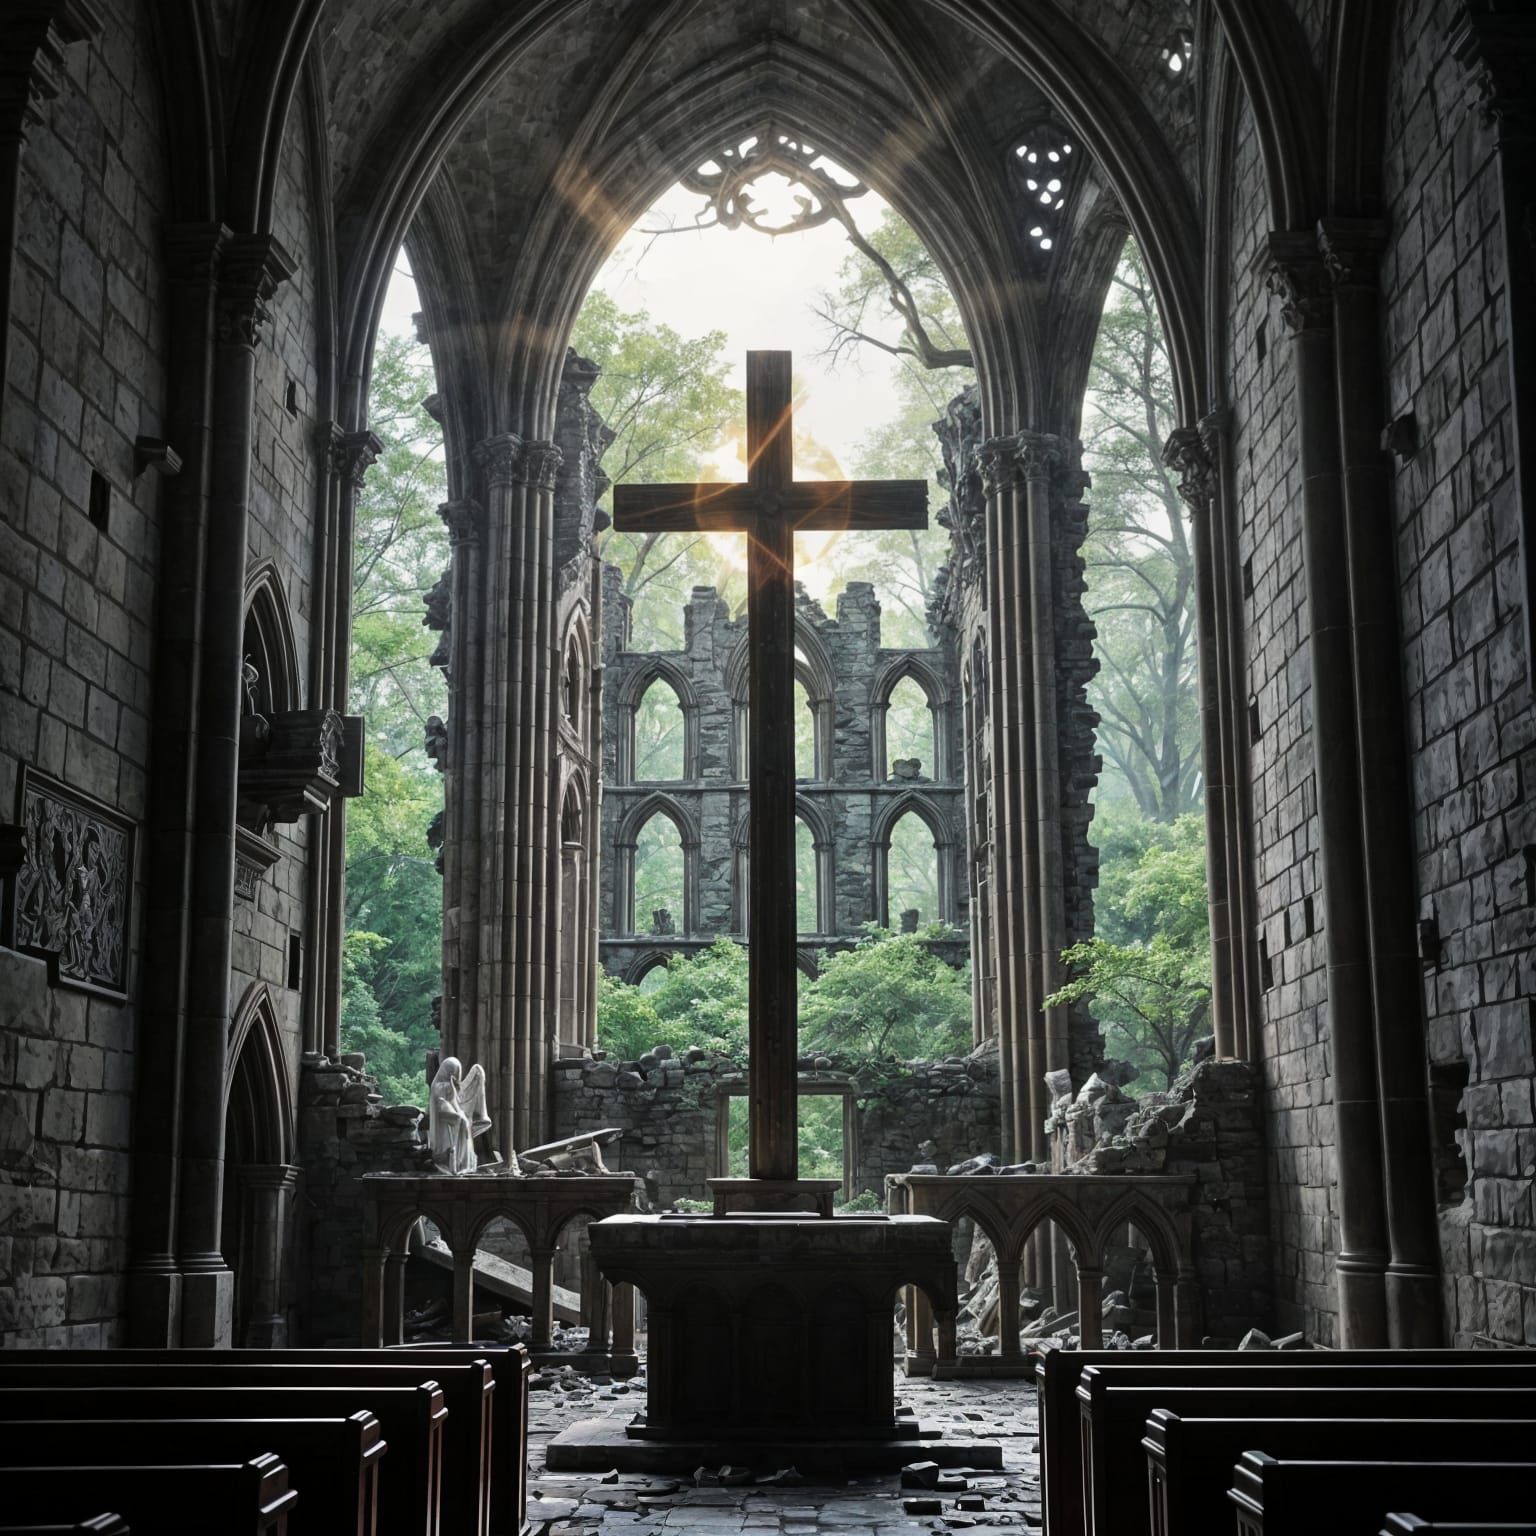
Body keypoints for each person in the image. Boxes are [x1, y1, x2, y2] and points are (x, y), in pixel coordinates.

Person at [428, 1055, 476, 1174]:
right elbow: (442, 1104)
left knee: (464, 1121)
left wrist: (460, 1113)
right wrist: (456, 1115)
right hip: (443, 1121)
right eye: (453, 1071)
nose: (454, 1074)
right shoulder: (439, 1085)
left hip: (451, 1116)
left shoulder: (448, 1084)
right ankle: (452, 1161)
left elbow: (454, 1102)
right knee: (460, 1121)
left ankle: (461, 1162)